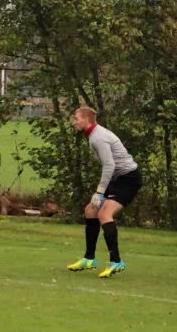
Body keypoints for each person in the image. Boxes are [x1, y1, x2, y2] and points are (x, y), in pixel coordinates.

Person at [67, 106, 142, 278]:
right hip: (117, 179)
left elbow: (110, 165)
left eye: (76, 118)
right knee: (91, 211)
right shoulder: (94, 135)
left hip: (128, 179)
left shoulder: (98, 138)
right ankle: (89, 259)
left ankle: (116, 261)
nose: (74, 122)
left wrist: (100, 192)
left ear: (86, 120)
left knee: (104, 214)